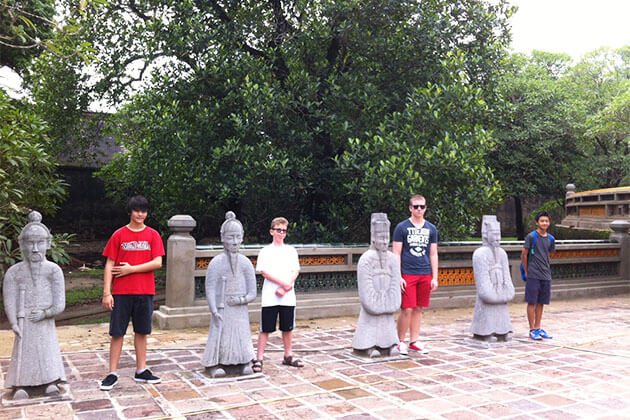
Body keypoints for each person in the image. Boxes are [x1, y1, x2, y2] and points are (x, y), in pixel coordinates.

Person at [100, 195, 165, 390]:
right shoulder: (119, 235)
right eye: (137, 210)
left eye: (144, 211)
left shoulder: (153, 235)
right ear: (130, 212)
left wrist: (131, 269)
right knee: (117, 333)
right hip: (121, 292)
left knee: (142, 331)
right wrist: (106, 292)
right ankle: (112, 373)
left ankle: (141, 370)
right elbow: (109, 264)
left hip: (145, 291)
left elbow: (158, 262)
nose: (140, 214)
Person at [3, 211, 66, 399]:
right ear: (22, 245)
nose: (35, 249)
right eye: (30, 243)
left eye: (39, 243)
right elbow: (9, 298)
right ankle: (21, 384)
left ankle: (50, 381)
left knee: (47, 350)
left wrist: (46, 313)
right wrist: (14, 322)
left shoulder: (54, 271)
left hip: (44, 320)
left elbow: (60, 304)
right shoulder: (14, 273)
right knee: (24, 353)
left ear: (47, 243)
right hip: (24, 321)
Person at [202, 212, 257, 377]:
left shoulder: (246, 263)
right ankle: (214, 364)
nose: (234, 241)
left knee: (241, 335)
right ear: (223, 238)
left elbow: (253, 292)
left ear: (242, 238)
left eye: (237, 237)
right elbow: (210, 288)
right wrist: (214, 310)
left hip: (239, 309)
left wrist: (240, 300)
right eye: (230, 237)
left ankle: (244, 361)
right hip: (222, 308)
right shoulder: (216, 263)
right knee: (220, 335)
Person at [253, 217, 302, 372]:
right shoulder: (265, 251)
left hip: (287, 295)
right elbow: (265, 272)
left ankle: (288, 355)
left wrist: (287, 286)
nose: (281, 233)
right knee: (266, 328)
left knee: (287, 328)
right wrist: (282, 284)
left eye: (284, 231)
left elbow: (296, 271)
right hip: (271, 295)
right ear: (272, 231)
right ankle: (259, 358)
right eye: (278, 230)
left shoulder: (291, 251)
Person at [393, 194, 438, 355]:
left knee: (419, 308)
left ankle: (414, 340)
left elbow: (433, 253)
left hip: (424, 272)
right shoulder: (402, 228)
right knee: (407, 308)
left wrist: (435, 277)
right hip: (408, 273)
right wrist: (398, 276)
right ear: (410, 208)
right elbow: (396, 253)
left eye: (422, 206)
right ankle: (399, 341)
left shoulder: (431, 229)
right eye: (416, 206)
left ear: (426, 208)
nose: (419, 209)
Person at [352, 213, 402, 357]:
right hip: (372, 303)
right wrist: (376, 302)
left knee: (387, 320)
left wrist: (389, 301)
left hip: (387, 301)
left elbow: (395, 283)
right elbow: (365, 286)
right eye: (381, 238)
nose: (385, 241)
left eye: (387, 238)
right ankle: (367, 346)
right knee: (370, 321)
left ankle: (391, 344)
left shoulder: (392, 259)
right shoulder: (366, 259)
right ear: (373, 238)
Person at [470, 215, 515, 341]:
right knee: (486, 309)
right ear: (486, 235)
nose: (498, 238)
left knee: (502, 309)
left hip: (500, 288)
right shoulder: (480, 254)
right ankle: (483, 332)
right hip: (489, 291)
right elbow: (482, 280)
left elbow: (507, 275)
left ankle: (503, 330)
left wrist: (507, 291)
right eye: (494, 234)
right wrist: (491, 294)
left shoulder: (502, 253)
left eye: (499, 234)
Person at [521, 211, 555, 341]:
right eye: (542, 221)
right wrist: (527, 270)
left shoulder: (551, 239)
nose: (544, 223)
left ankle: (538, 327)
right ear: (537, 222)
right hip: (533, 274)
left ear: (549, 223)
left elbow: (548, 254)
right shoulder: (531, 236)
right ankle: (532, 329)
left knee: (541, 302)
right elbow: (524, 254)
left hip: (546, 275)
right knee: (532, 301)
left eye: (546, 221)